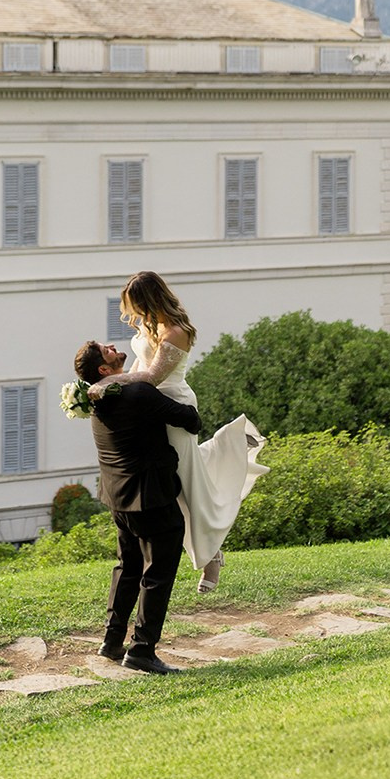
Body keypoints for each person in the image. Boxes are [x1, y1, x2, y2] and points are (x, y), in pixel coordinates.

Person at [90, 271, 267, 592]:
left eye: (136, 306)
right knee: (173, 479)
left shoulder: (176, 331)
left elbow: (153, 377)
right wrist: (114, 391)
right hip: (149, 406)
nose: (134, 315)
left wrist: (111, 381)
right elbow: (137, 371)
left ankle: (211, 556)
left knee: (185, 483)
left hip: (172, 404)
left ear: (149, 299)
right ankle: (231, 446)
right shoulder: (149, 325)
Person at [73, 337, 200, 674]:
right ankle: (142, 649)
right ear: (104, 368)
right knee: (157, 572)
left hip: (117, 498)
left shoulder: (97, 403)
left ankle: (112, 641)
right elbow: (190, 418)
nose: (113, 345)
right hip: (152, 497)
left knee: (127, 567)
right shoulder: (138, 393)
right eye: (107, 349)